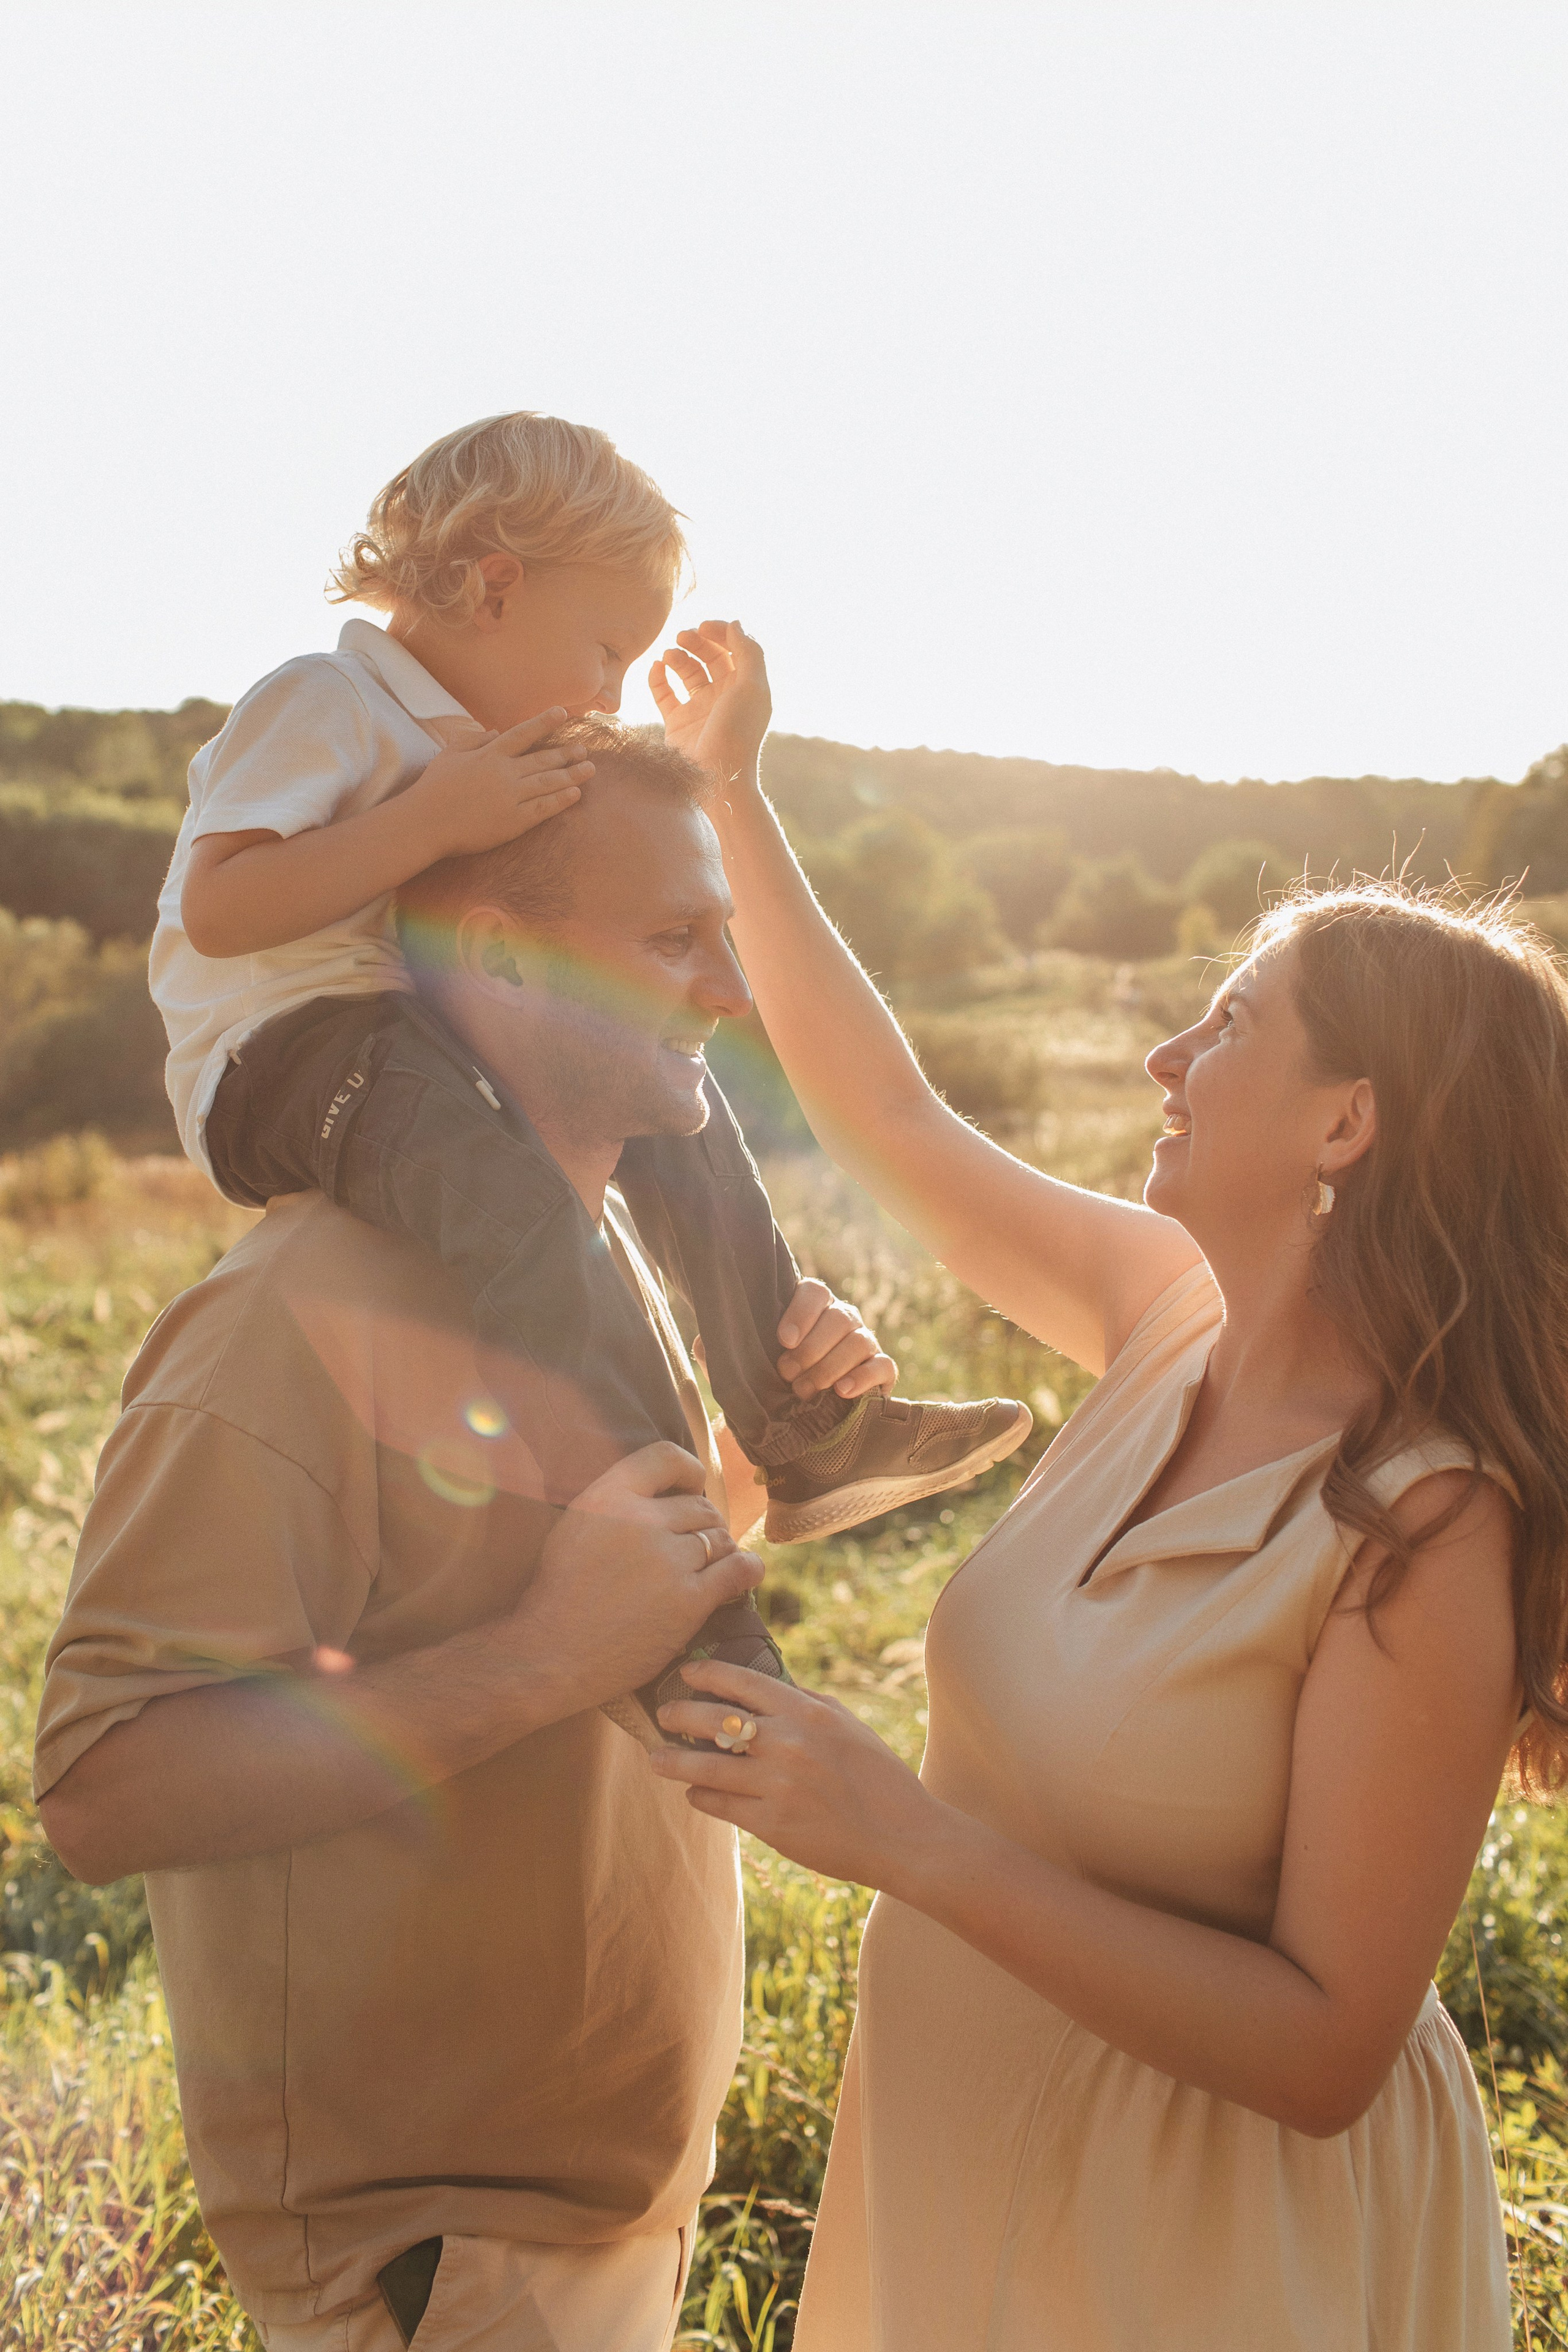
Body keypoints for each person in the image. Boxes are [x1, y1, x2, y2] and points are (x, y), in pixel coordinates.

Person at [644, 622, 1568, 2349]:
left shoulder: (1427, 1525)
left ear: (1345, 1125)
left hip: (1209, 2247)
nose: (1166, 1059)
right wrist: (734, 795)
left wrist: (907, 1843)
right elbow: (899, 1124)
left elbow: (1324, 2050)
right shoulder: (1164, 1318)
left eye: (1227, 1025)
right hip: (967, 2151)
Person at [34, 724, 907, 2351]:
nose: (727, 984)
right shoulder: (282, 1323)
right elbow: (103, 1789)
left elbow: (643, 1572)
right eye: (670, 939)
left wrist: (787, 1434)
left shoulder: (604, 1264)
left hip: (602, 2216)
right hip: (445, 2266)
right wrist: (534, 1665)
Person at [146, 409, 1030, 1651]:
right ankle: (632, 1566)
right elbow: (221, 906)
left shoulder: (472, 735)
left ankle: (798, 1430)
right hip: (285, 1052)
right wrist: (431, 820)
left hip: (410, 1025)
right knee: (519, 1222)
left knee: (659, 1079)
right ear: (495, 586)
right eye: (607, 649)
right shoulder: (325, 697)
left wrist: (702, 763)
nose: (612, 691)